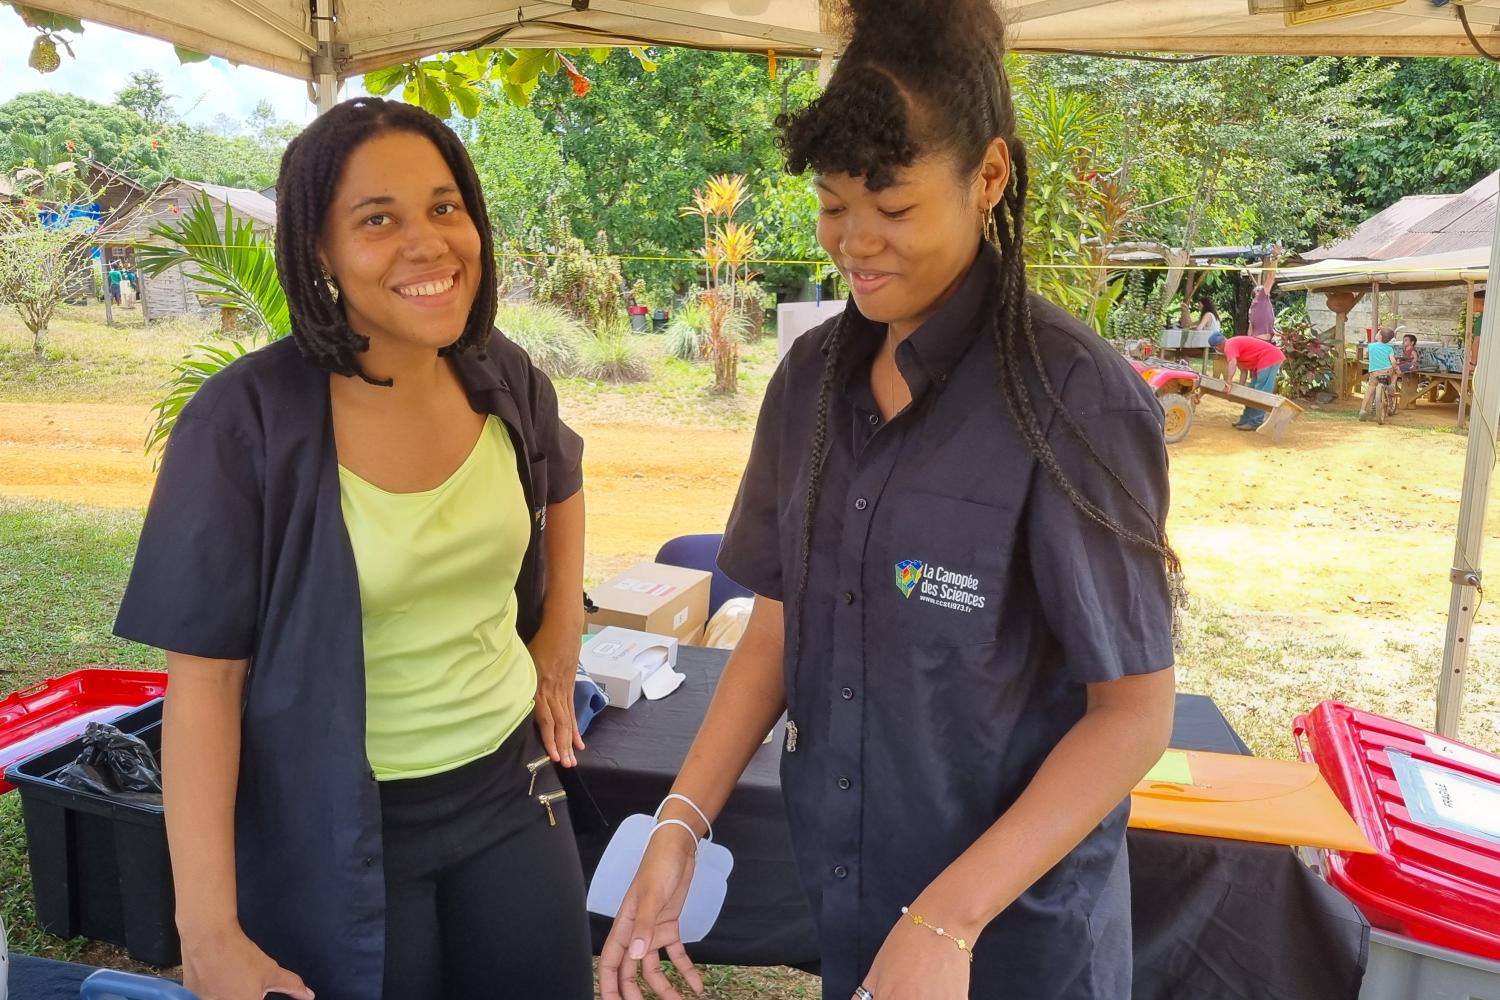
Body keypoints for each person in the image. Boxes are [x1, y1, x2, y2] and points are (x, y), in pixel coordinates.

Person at [600, 2, 1180, 998]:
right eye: (833, 207)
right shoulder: (811, 381)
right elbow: (779, 628)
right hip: (859, 909)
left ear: (989, 176)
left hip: (1015, 942)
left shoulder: (1072, 396)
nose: (856, 244)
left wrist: (948, 919)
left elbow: (1132, 714)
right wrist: (678, 824)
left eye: (896, 209)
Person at [112, 98, 593, 1000]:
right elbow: (205, 685)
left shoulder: (502, 373)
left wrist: (560, 631)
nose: (427, 243)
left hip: (506, 788)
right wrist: (209, 937)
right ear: (320, 250)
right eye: (379, 220)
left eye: (444, 207)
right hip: (333, 820)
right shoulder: (243, 423)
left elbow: (561, 481)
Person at [1209, 331, 1286, 430]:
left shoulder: (1229, 345)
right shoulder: (1233, 345)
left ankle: (1255, 422)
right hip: (1262, 362)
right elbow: (1243, 371)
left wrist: (1228, 382)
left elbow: (1232, 362)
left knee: (1260, 392)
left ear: (1217, 347)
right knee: (1251, 391)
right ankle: (1245, 419)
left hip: (1269, 358)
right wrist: (1239, 389)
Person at [1361, 326, 1398, 420]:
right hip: (1387, 372)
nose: (1376, 334)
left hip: (1374, 373)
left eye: (1378, 332)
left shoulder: (1371, 346)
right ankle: (1391, 385)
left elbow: (1368, 355)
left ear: (1380, 336)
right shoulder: (1389, 349)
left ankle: (1362, 411)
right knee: (1396, 372)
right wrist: (1397, 369)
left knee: (1369, 391)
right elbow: (1393, 362)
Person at [1248, 249, 1279, 342]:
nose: (1264, 288)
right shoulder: (1261, 298)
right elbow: (1271, 277)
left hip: (1257, 340)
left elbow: (1250, 329)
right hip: (1262, 341)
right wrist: (1275, 257)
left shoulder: (1254, 306)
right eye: (1260, 289)